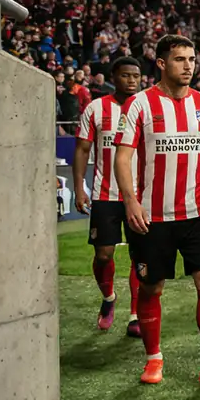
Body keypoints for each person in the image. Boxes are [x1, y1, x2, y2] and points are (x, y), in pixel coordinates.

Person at [112, 35, 200, 388]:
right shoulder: (139, 104)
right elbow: (122, 157)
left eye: (192, 59)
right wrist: (130, 200)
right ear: (163, 64)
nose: (188, 66)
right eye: (180, 59)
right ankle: (154, 359)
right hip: (152, 215)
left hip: (198, 212)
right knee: (152, 287)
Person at [72, 56, 143, 335]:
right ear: (114, 77)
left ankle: (136, 315)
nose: (132, 80)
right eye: (126, 75)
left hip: (139, 197)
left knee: (142, 257)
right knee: (103, 255)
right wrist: (79, 188)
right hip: (105, 194)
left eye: (136, 76)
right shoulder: (96, 108)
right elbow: (82, 150)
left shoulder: (147, 107)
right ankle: (109, 298)